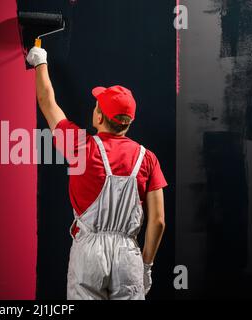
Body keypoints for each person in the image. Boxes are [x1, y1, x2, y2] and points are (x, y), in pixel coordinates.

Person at [26, 46, 167, 300]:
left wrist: (40, 62)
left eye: (96, 106)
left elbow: (48, 103)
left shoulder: (81, 146)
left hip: (89, 254)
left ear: (100, 117)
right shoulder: (148, 159)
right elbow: (158, 221)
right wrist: (146, 266)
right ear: (128, 121)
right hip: (128, 255)